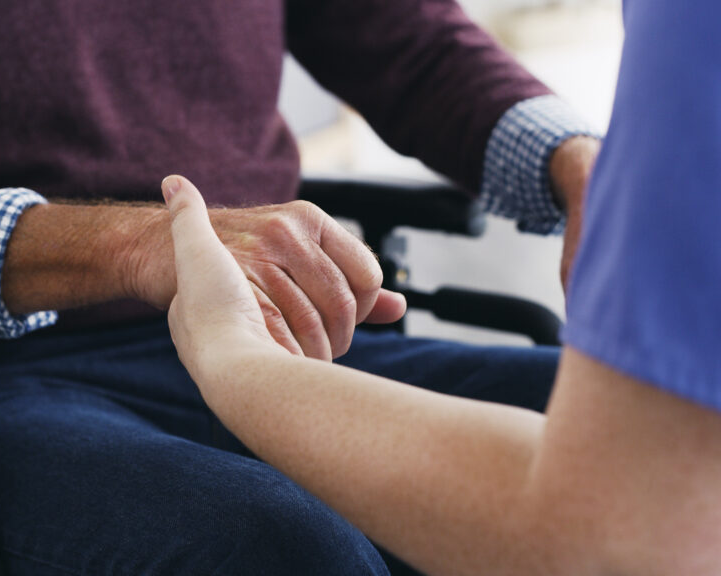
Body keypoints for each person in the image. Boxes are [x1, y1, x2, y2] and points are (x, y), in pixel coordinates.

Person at [0, 0, 599, 573]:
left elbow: (415, 52)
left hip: (282, 337)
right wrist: (142, 243)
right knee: (278, 550)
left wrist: (587, 168)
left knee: (643, 440)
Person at [164, 0, 721, 574]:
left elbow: (618, 524)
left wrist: (232, 359)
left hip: (248, 328)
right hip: (78, 345)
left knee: (584, 416)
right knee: (291, 543)